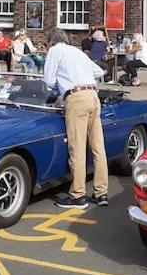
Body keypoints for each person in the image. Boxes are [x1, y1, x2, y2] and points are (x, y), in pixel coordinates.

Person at [43, 29, 107, 209]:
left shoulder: (56, 51)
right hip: (93, 96)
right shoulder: (77, 52)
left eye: (47, 44)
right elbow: (99, 70)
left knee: (77, 147)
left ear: (51, 41)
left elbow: (48, 81)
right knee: (97, 147)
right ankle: (101, 192)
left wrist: (61, 88)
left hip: (76, 97)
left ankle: (78, 195)